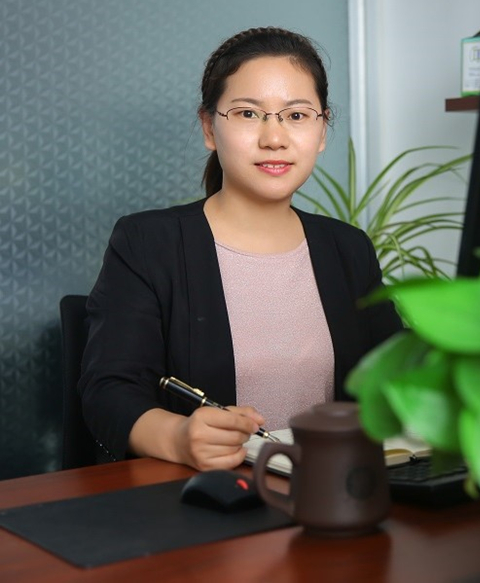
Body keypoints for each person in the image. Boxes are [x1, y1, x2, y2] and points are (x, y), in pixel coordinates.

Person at [79, 27, 403, 472]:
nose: (274, 138)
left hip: (334, 493)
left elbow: (397, 378)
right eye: (249, 113)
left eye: (296, 115)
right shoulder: (148, 242)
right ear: (209, 128)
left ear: (322, 130)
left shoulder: (348, 249)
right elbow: (108, 390)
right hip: (208, 499)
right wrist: (178, 438)